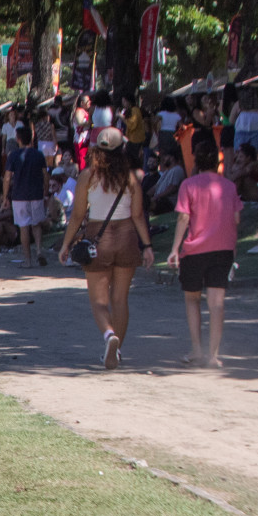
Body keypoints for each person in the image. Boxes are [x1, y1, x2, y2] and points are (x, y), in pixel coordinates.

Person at [58, 127, 154, 368]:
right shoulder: (130, 178)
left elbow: (78, 216)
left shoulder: (88, 177)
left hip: (98, 241)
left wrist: (66, 244)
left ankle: (109, 335)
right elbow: (139, 215)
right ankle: (117, 350)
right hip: (127, 238)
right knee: (120, 299)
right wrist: (148, 246)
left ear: (96, 150)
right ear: (122, 149)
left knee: (99, 301)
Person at [167, 131, 240, 367]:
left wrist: (174, 249)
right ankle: (214, 354)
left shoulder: (188, 185)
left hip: (195, 250)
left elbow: (183, 219)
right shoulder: (229, 186)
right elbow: (236, 218)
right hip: (223, 248)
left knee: (192, 299)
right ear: (217, 161)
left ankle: (196, 348)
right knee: (217, 303)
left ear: (196, 161)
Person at [4, 122, 48, 267]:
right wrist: (46, 191)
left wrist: (5, 196)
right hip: (36, 193)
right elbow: (45, 175)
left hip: (19, 195)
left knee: (24, 227)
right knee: (36, 225)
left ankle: (28, 260)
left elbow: (7, 177)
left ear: (18, 139)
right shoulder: (39, 154)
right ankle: (40, 251)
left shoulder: (13, 155)